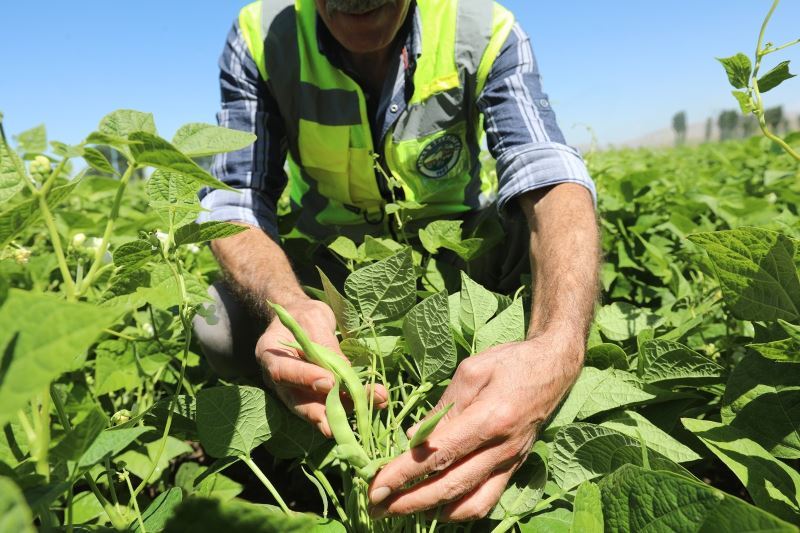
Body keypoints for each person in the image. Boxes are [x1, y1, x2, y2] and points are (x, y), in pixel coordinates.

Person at [194, 0, 600, 522]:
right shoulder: (260, 36)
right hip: (333, 270)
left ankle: (512, 420)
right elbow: (235, 199)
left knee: (563, 248)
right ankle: (303, 467)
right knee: (218, 322)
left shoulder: (480, 25)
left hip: (455, 257)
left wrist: (557, 345)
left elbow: (546, 168)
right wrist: (288, 305)